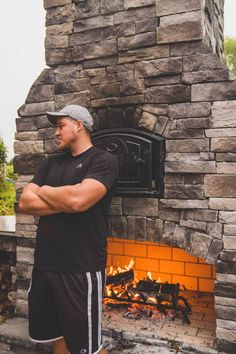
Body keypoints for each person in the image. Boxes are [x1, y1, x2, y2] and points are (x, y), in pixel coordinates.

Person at [19, 104, 119, 354]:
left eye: (60, 125)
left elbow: (79, 200)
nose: (56, 132)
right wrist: (67, 199)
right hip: (45, 266)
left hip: (81, 269)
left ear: (79, 125)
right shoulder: (51, 163)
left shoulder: (103, 160)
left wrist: (44, 191)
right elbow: (25, 202)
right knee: (58, 336)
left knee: (87, 348)